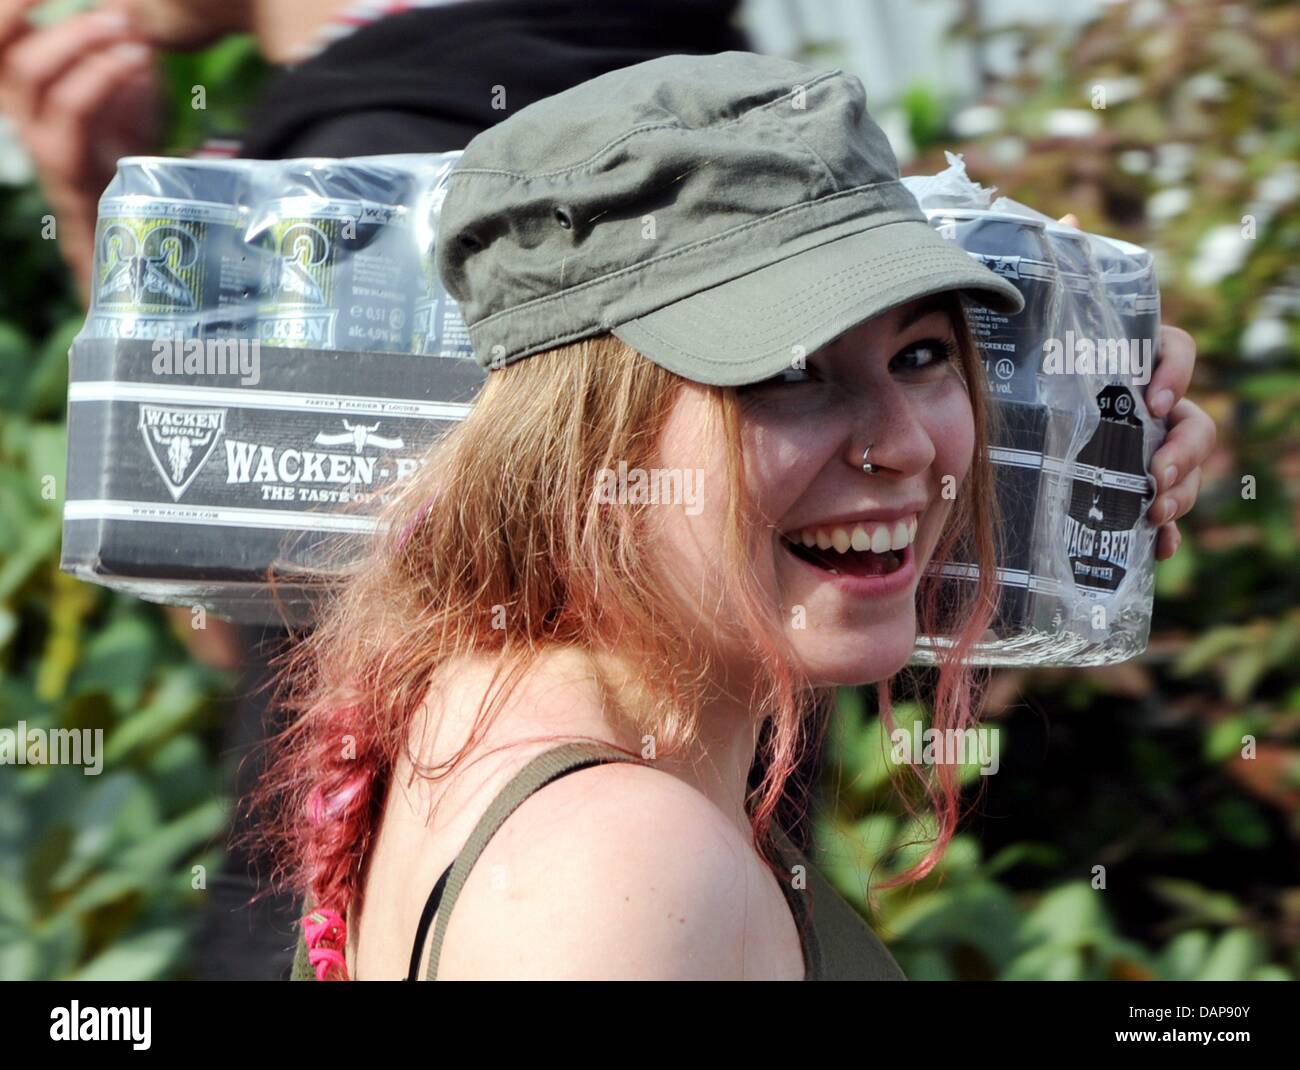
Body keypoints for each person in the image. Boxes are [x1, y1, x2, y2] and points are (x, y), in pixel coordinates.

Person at [248, 51, 1218, 981]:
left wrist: (1101, 405)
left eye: (920, 353)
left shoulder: (480, 704)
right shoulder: (622, 869)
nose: (907, 445)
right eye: (789, 371)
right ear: (585, 442)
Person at [0, 0, 758, 980]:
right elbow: (289, 614)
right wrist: (121, 247)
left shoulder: (365, 193)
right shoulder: (726, 127)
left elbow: (300, 671)